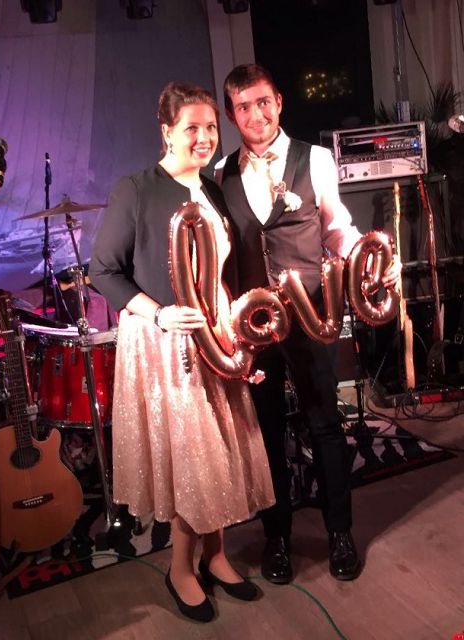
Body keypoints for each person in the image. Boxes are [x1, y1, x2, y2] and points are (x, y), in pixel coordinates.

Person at [89, 81, 275, 623]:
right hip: (166, 342)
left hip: (215, 333)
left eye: (211, 127)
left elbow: (219, 273)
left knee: (219, 452)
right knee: (195, 459)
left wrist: (237, 336)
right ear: (167, 131)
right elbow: (104, 271)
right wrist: (160, 314)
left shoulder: (212, 190)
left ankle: (215, 557)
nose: (204, 137)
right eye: (191, 127)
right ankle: (180, 569)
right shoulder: (136, 189)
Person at [215, 64, 401, 584]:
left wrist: (374, 261)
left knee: (325, 425)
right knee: (265, 431)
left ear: (279, 101)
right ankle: (277, 537)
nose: (256, 114)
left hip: (313, 314)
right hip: (253, 324)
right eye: (244, 106)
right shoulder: (219, 173)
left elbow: (338, 229)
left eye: (263, 102)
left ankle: (340, 533)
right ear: (231, 114)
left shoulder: (315, 159)